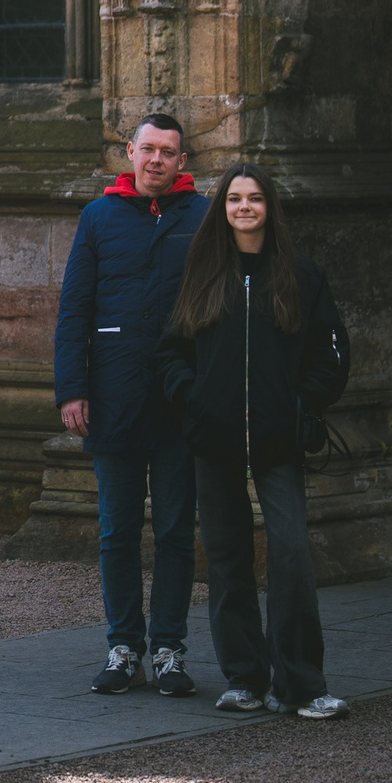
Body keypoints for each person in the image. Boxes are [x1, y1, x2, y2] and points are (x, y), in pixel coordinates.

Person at [157, 159, 352, 721]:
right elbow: (171, 350)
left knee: (290, 555)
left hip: (277, 440)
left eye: (255, 199)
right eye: (235, 199)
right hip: (214, 439)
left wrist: (302, 405)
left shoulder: (301, 275)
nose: (245, 207)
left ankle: (301, 685)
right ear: (223, 208)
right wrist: (194, 398)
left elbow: (332, 352)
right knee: (226, 560)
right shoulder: (203, 274)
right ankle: (244, 677)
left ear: (270, 207)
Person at [53, 112, 209, 696]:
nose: (156, 160)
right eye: (148, 149)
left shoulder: (203, 216)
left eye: (168, 152)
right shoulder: (98, 217)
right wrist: (72, 388)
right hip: (113, 393)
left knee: (174, 531)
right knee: (117, 531)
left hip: (180, 399)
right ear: (130, 153)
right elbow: (75, 308)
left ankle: (168, 649)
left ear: (181, 161)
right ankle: (123, 647)